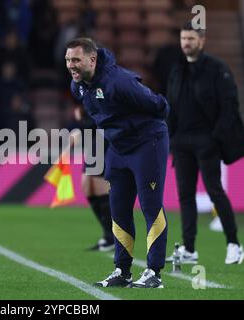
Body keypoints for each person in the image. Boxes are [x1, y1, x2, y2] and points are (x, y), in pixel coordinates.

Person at [65, 38, 170, 288]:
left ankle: (154, 272)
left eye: (76, 60)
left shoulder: (119, 82)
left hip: (147, 144)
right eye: (68, 60)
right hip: (118, 148)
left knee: (150, 207)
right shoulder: (78, 86)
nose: (71, 65)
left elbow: (160, 106)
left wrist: (135, 127)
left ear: (92, 59)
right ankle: (122, 271)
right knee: (118, 209)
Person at [166, 22, 244, 265]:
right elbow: (171, 105)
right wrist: (172, 137)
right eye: (183, 39)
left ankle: (234, 243)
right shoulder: (177, 69)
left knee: (215, 191)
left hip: (207, 140)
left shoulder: (217, 68)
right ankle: (190, 249)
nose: (186, 43)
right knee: (185, 196)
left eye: (191, 39)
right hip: (182, 142)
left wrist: (216, 137)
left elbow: (230, 106)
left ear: (202, 41)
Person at [66, 105, 114, 252]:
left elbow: (100, 118)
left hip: (105, 139)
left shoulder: (101, 88)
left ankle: (112, 236)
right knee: (88, 188)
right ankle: (109, 235)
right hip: (96, 140)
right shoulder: (81, 89)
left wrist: (80, 125)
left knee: (99, 188)